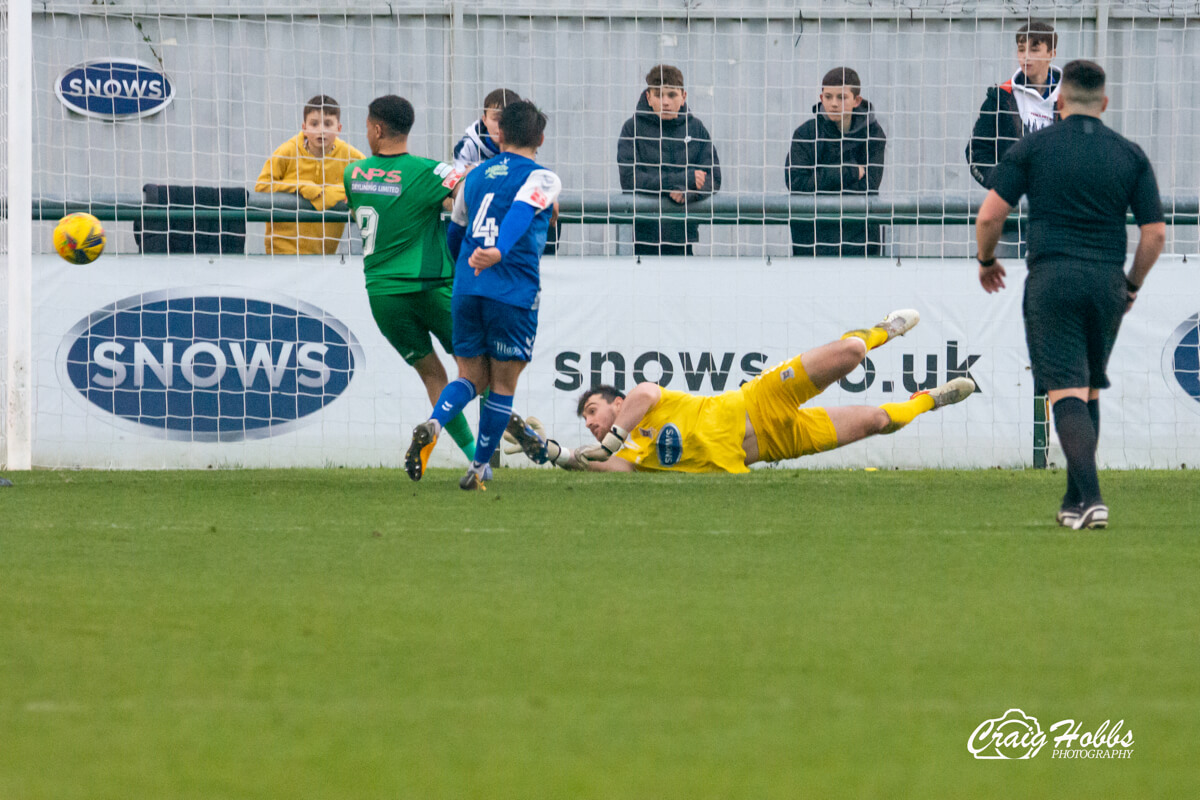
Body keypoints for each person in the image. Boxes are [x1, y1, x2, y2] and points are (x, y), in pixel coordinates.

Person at [975, 60, 1166, 530]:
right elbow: (1156, 234)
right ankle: (1074, 499)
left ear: (1058, 101)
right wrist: (1132, 284)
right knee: (1086, 387)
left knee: (1064, 389)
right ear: (1104, 103)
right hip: (1106, 283)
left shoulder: (1034, 147)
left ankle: (1094, 498)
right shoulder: (1130, 155)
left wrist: (986, 260)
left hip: (1053, 278)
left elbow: (989, 216)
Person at [505, 310, 976, 474]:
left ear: (616, 403)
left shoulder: (642, 401)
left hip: (760, 400)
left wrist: (607, 440)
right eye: (586, 418)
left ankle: (883, 330)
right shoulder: (633, 455)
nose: (590, 421)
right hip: (774, 444)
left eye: (593, 409)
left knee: (852, 351)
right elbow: (600, 466)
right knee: (879, 421)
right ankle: (929, 399)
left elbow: (645, 394)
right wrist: (547, 449)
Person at [406, 100, 562, 491]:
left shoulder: (472, 178)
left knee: (470, 376)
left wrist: (469, 268)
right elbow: (522, 211)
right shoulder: (544, 178)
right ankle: (477, 469)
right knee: (504, 384)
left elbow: (456, 233)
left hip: (467, 287)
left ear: (499, 135)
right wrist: (500, 250)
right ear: (541, 138)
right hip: (512, 289)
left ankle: (435, 422)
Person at [343, 95, 481, 467]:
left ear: (376, 129)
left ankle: (468, 454)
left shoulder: (352, 173)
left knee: (431, 373)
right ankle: (488, 453)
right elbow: (466, 191)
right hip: (433, 286)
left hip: (383, 294)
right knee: (477, 370)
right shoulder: (430, 172)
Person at [966, 21, 1062, 257]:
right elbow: (976, 151)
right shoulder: (1001, 97)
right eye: (1021, 49)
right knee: (1005, 287)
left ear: (1052, 53)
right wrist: (1000, 185)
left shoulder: (1068, 98)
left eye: (1034, 49)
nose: (1025, 56)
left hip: (1058, 219)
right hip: (1010, 221)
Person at [617, 64, 722, 256]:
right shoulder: (632, 129)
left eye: (672, 95)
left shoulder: (696, 129)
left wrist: (688, 193)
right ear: (648, 97)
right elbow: (629, 179)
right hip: (645, 236)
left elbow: (713, 178)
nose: (665, 102)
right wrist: (679, 180)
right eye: (658, 95)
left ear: (683, 96)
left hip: (683, 235)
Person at [784, 66, 887, 257]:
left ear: (857, 100)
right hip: (812, 241)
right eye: (828, 97)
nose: (833, 104)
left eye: (841, 97)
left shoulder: (873, 135)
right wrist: (848, 172)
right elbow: (797, 183)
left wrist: (819, 182)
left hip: (860, 240)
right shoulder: (805, 134)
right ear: (821, 98)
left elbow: (868, 186)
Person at [255, 94, 364, 255]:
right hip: (282, 250)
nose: (321, 130)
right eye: (314, 124)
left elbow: (370, 186)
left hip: (325, 253)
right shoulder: (287, 152)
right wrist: (299, 186)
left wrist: (334, 193)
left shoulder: (352, 157)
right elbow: (262, 187)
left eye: (328, 124)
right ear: (304, 128)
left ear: (339, 129)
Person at [451, 87, 521, 172]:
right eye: (496, 119)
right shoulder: (467, 146)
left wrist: (478, 171)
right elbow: (459, 181)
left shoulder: (525, 146)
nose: (501, 126)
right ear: (484, 120)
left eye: (508, 120)